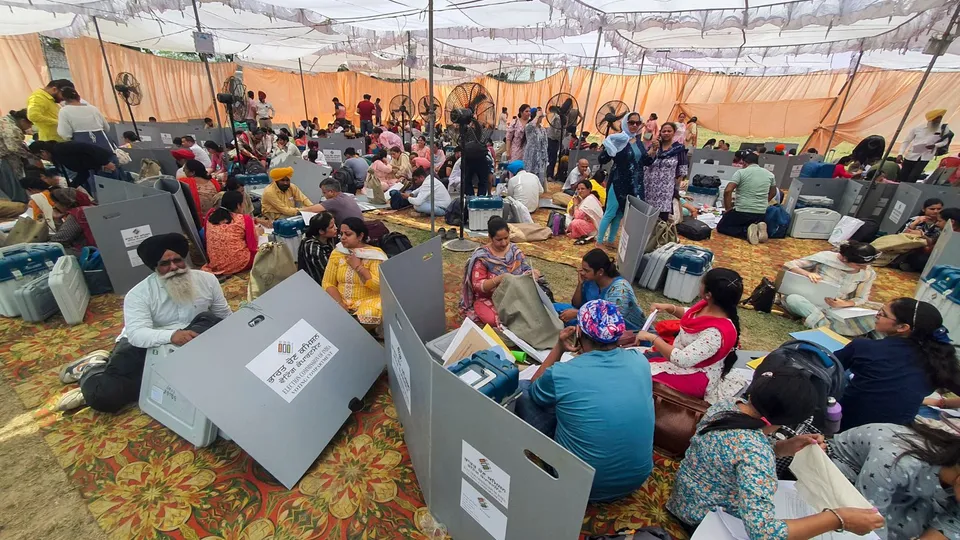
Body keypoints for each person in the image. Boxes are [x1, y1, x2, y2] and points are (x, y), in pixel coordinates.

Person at [667, 367, 886, 539]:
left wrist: (782, 448)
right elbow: (765, 533)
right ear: (791, 421)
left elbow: (730, 456)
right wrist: (837, 519)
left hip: (685, 501)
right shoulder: (754, 451)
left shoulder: (725, 407)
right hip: (704, 524)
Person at [55, 233, 232, 412]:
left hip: (191, 339)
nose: (174, 267)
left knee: (210, 321)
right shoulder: (138, 294)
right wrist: (171, 335)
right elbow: (137, 334)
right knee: (104, 395)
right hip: (146, 344)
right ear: (155, 267)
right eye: (165, 264)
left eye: (177, 260)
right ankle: (92, 367)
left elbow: (224, 316)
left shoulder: (207, 280)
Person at [515, 299, 655, 502]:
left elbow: (534, 391)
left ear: (579, 333)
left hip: (580, 486)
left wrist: (559, 349)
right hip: (636, 479)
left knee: (523, 389)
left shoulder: (563, 373)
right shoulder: (640, 361)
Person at [833, 298, 960, 432]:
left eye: (883, 314)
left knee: (846, 374)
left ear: (902, 327)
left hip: (843, 425)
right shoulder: (940, 361)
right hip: (895, 432)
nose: (877, 315)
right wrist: (942, 403)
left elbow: (826, 367)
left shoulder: (863, 346)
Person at [831, 423, 960, 540]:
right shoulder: (898, 462)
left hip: (894, 489)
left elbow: (954, 523)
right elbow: (867, 518)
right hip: (848, 471)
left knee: (920, 523)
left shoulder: (948, 470)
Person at [634, 268, 743, 401]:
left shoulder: (715, 333)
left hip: (695, 374)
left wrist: (652, 338)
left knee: (638, 376)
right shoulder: (709, 306)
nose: (699, 284)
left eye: (701, 282)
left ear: (708, 294)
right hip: (680, 360)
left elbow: (682, 359)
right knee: (634, 363)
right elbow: (691, 315)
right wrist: (670, 308)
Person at [782, 241, 881, 337]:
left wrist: (844, 303)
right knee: (793, 299)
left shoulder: (867, 273)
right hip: (811, 302)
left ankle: (819, 322)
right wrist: (808, 274)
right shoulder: (826, 258)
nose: (864, 268)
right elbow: (789, 265)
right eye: (859, 265)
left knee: (878, 316)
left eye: (866, 265)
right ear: (845, 259)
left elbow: (861, 298)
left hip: (838, 309)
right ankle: (826, 326)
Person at [459, 216, 541, 326]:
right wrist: (500, 279)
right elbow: (478, 286)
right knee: (495, 320)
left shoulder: (514, 251)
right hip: (491, 299)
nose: (504, 243)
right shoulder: (483, 257)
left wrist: (533, 273)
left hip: (515, 295)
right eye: (499, 240)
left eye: (506, 238)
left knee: (536, 310)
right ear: (490, 237)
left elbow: (525, 269)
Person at [554, 249, 645, 330]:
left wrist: (578, 314)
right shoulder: (592, 280)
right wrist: (580, 284)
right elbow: (576, 304)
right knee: (553, 308)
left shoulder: (620, 289)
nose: (582, 273)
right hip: (590, 318)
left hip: (618, 330)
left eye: (586, 270)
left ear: (600, 272)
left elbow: (611, 321)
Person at [322, 217, 386, 327]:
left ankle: (351, 327)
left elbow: (379, 286)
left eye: (348, 234)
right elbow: (328, 283)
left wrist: (359, 267)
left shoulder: (375, 255)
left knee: (371, 312)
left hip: (367, 302)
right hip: (341, 301)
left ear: (360, 236)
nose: (342, 238)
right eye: (341, 234)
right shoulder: (338, 253)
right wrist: (340, 303)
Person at [597, 113, 643, 247]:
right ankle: (599, 242)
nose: (634, 125)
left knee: (619, 214)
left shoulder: (638, 142)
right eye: (631, 122)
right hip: (617, 181)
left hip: (631, 183)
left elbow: (644, 161)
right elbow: (603, 159)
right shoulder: (618, 139)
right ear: (625, 123)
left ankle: (610, 240)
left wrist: (652, 151)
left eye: (637, 123)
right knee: (611, 212)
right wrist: (610, 148)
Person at [716, 152, 777, 244]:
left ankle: (746, 232)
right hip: (761, 213)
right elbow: (773, 192)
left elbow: (728, 190)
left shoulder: (741, 172)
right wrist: (764, 202)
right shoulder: (769, 174)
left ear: (744, 163)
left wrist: (728, 209)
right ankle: (758, 229)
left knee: (722, 227)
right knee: (748, 221)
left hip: (742, 211)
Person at [201, 190, 258, 276]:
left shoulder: (211, 215)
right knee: (266, 252)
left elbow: (206, 238)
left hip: (216, 263)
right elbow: (252, 247)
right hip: (239, 263)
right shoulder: (244, 219)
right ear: (238, 205)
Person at [29, 140, 122, 190]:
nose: (43, 159)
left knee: (112, 190)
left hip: (105, 161)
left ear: (43, 152)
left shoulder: (61, 148)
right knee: (107, 191)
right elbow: (83, 172)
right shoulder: (59, 157)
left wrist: (105, 162)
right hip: (99, 165)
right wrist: (71, 188)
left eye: (40, 156)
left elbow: (87, 148)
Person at [643, 121, 688, 220]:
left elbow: (682, 170)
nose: (666, 133)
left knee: (661, 218)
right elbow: (645, 161)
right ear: (660, 132)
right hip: (649, 188)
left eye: (669, 131)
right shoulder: (654, 146)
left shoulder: (679, 149)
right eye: (664, 131)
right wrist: (654, 149)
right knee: (646, 217)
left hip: (665, 190)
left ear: (674, 132)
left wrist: (676, 184)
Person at [899, 109, 952, 183]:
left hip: (926, 156)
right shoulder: (918, 128)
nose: (938, 121)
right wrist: (900, 153)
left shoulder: (943, 128)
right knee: (903, 175)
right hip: (912, 155)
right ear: (931, 120)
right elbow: (906, 141)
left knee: (914, 176)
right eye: (936, 119)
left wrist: (935, 145)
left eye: (940, 118)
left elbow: (945, 142)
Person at [0, 108, 34, 205]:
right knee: (12, 185)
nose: (30, 126)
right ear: (23, 121)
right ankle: (17, 204)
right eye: (29, 124)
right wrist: (32, 157)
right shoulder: (11, 128)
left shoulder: (5, 120)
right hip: (5, 159)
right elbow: (14, 148)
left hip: (5, 157)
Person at [298, 212, 339, 286]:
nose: (336, 228)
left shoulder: (328, 237)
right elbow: (329, 271)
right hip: (317, 285)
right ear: (321, 231)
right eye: (332, 227)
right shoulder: (312, 247)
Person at [522, 107, 549, 186]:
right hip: (531, 154)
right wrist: (537, 116)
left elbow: (545, 143)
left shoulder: (542, 129)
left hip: (540, 155)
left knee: (540, 174)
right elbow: (531, 125)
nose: (541, 119)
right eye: (540, 117)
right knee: (530, 172)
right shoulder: (529, 127)